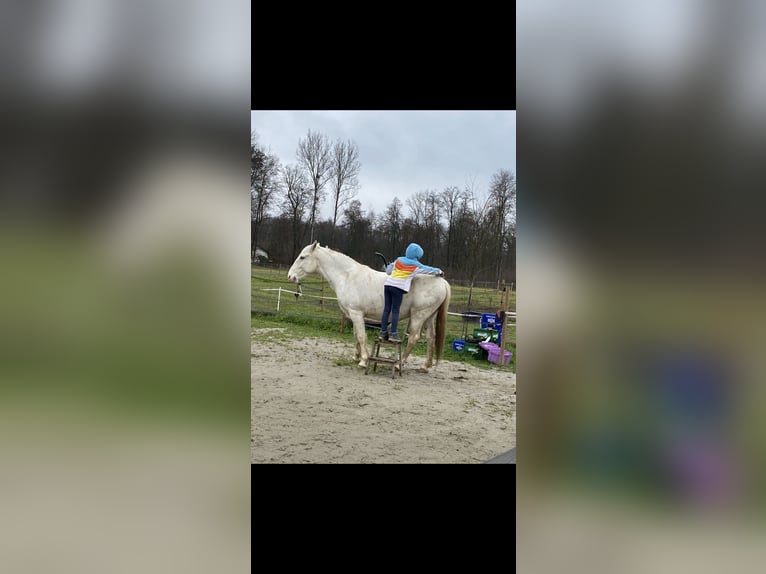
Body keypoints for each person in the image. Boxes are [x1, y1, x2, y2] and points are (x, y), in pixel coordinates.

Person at [379, 243, 442, 343]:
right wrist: (439, 271)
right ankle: (393, 334)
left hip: (388, 285)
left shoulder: (398, 260)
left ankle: (382, 333)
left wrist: (388, 266)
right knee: (395, 311)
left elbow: (388, 272)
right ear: (418, 255)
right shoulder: (415, 265)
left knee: (386, 309)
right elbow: (428, 270)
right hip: (398, 288)